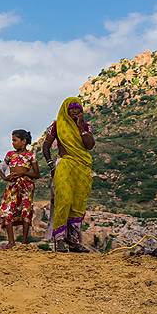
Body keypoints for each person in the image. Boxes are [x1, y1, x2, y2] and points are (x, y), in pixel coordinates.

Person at [42, 97, 95, 252]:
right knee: (64, 199)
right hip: (64, 164)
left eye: (77, 108)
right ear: (65, 109)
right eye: (71, 108)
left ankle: (73, 241)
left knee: (78, 203)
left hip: (82, 167)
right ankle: (58, 240)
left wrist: (80, 126)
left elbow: (90, 145)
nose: (74, 111)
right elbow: (45, 147)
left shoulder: (86, 126)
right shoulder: (58, 125)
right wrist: (52, 166)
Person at [0, 129, 39, 249]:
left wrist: (23, 174)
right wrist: (6, 178)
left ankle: (24, 242)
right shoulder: (10, 154)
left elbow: (37, 174)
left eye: (15, 140)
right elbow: (2, 169)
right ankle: (11, 242)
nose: (13, 143)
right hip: (12, 186)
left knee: (26, 210)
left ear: (24, 141)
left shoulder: (31, 155)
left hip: (26, 186)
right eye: (12, 140)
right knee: (7, 210)